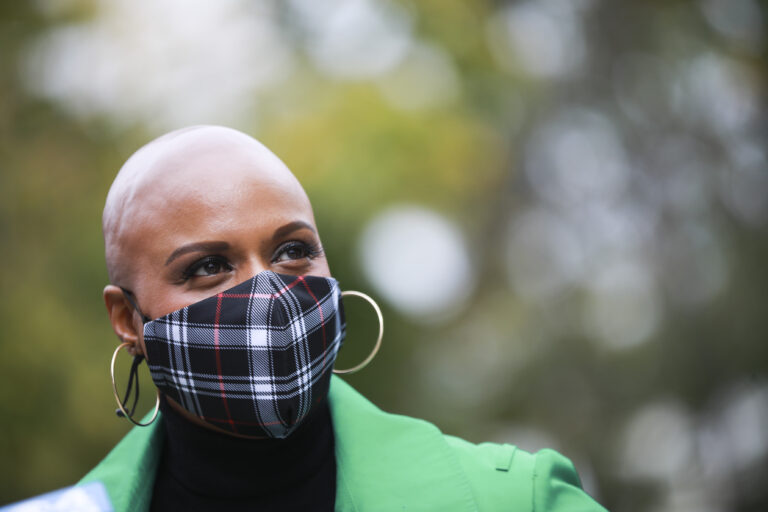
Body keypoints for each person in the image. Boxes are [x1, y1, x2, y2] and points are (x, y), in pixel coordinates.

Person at [79, 125, 607, 511]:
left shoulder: (516, 500)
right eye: (210, 266)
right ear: (128, 318)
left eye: (291, 250)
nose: (271, 293)